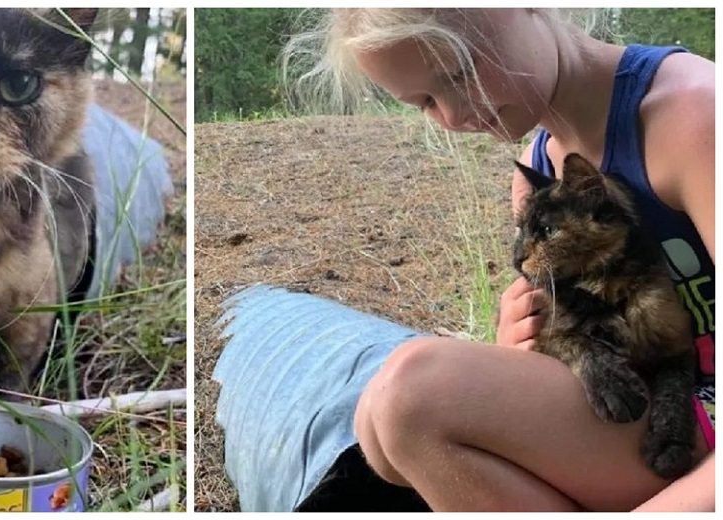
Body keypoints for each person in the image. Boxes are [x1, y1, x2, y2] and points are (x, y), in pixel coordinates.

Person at [281, 8, 714, 511]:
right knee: (375, 426)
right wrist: (521, 341)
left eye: (461, 70)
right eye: (423, 102)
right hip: (623, 394)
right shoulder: (536, 169)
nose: (454, 113)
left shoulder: (695, 117)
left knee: (411, 395)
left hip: (692, 419)